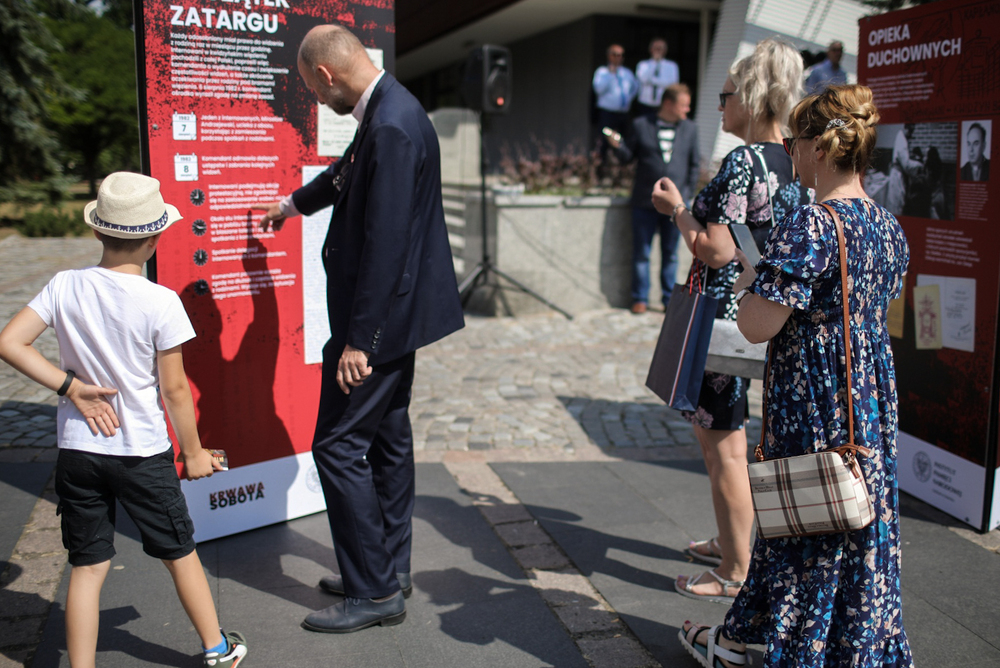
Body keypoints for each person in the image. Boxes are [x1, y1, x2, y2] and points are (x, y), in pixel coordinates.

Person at [680, 83, 913, 668]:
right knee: (856, 520)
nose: (788, 152)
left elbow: (758, 325)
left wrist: (748, 284)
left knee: (804, 520)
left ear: (820, 148)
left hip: (815, 396)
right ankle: (845, 649)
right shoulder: (888, 226)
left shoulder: (811, 223)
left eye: (794, 141)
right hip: (868, 396)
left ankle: (776, 647)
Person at [252, 24, 464, 633]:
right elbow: (345, 175)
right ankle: (386, 569)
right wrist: (292, 205)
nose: (318, 103)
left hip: (380, 324)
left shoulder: (392, 124)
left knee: (337, 447)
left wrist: (358, 342)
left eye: (313, 92)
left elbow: (386, 243)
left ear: (327, 75)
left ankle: (373, 593)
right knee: (389, 439)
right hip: (398, 320)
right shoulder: (388, 107)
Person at [0, 172, 248, 668]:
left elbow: (9, 342)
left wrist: (71, 388)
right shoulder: (161, 301)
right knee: (179, 553)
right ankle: (218, 649)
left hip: (78, 449)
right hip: (141, 454)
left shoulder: (64, 284)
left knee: (88, 568)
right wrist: (194, 453)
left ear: (97, 231)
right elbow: (175, 389)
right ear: (156, 238)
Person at [651, 38, 811, 605]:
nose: (719, 108)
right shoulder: (794, 157)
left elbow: (714, 250)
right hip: (760, 316)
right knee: (733, 443)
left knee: (723, 447)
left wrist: (676, 211)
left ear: (749, 95)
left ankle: (734, 570)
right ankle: (729, 541)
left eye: (724, 96)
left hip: (720, 318)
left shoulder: (742, 161)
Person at [609, 83, 699, 313]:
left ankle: (668, 299)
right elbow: (627, 156)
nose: (686, 110)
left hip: (676, 207)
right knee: (642, 252)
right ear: (668, 104)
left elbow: (694, 164)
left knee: (670, 254)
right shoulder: (641, 125)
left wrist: (685, 195)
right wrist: (616, 145)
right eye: (683, 105)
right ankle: (639, 297)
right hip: (644, 202)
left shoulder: (690, 129)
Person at [593, 44, 638, 170]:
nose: (618, 57)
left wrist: (629, 99)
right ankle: (600, 172)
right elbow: (598, 89)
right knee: (604, 143)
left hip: (623, 113)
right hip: (607, 113)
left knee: (623, 142)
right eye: (615, 54)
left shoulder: (627, 73)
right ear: (609, 56)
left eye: (621, 55)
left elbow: (635, 88)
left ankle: (621, 171)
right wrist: (610, 75)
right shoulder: (602, 72)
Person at [635, 38, 680, 117]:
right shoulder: (643, 65)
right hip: (645, 103)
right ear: (651, 49)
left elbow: (673, 84)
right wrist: (654, 64)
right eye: (656, 48)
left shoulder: (672, 66)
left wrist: (652, 81)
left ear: (665, 50)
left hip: (663, 104)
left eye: (660, 48)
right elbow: (643, 79)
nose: (658, 51)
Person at [885, 123, 919, 216]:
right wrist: (919, 164)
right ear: (906, 128)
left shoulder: (901, 138)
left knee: (898, 202)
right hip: (897, 175)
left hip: (898, 173)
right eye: (911, 131)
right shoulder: (902, 140)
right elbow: (906, 165)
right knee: (897, 205)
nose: (911, 135)